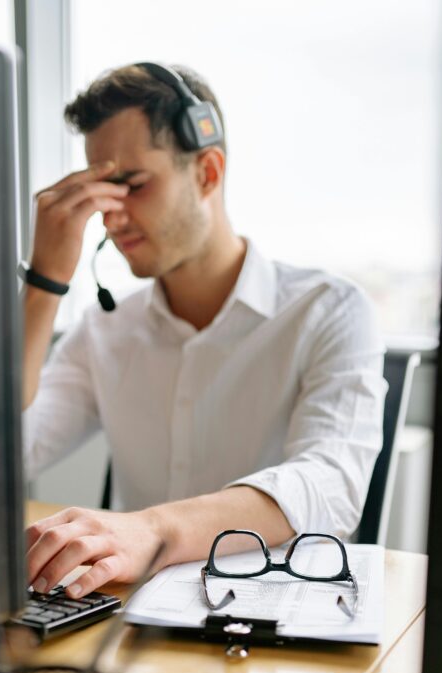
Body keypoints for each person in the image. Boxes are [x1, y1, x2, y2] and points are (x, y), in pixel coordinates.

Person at [22, 63, 386, 599]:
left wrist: (150, 530)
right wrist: (43, 283)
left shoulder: (329, 310)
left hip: (274, 624)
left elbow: (331, 482)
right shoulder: (104, 330)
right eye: (101, 192)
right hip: (132, 626)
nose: (109, 219)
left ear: (208, 172)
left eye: (131, 185)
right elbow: (1, 451)